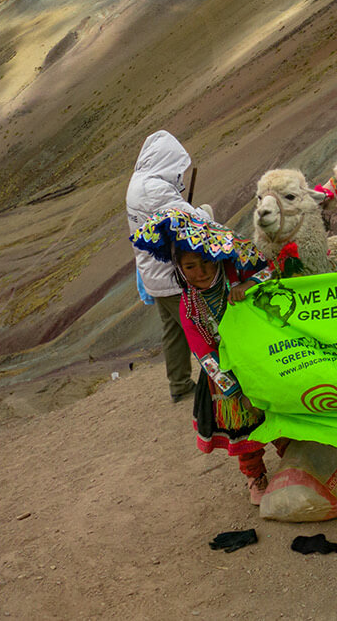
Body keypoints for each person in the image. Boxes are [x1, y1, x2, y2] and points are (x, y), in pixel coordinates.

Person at [130, 209, 278, 503]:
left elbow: (271, 270)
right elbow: (202, 351)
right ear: (180, 270)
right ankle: (255, 476)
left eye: (206, 261)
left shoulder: (236, 273)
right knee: (244, 429)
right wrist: (233, 388)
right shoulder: (189, 305)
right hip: (226, 374)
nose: (201, 271)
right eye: (190, 266)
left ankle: (297, 459)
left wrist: (248, 285)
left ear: (217, 256)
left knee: (281, 411)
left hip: (261, 358)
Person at [125, 130, 211, 403]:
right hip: (171, 275)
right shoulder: (155, 189)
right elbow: (191, 221)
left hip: (153, 275)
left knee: (174, 331)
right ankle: (221, 383)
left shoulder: (138, 183)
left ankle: (179, 384)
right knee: (201, 326)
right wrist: (205, 211)